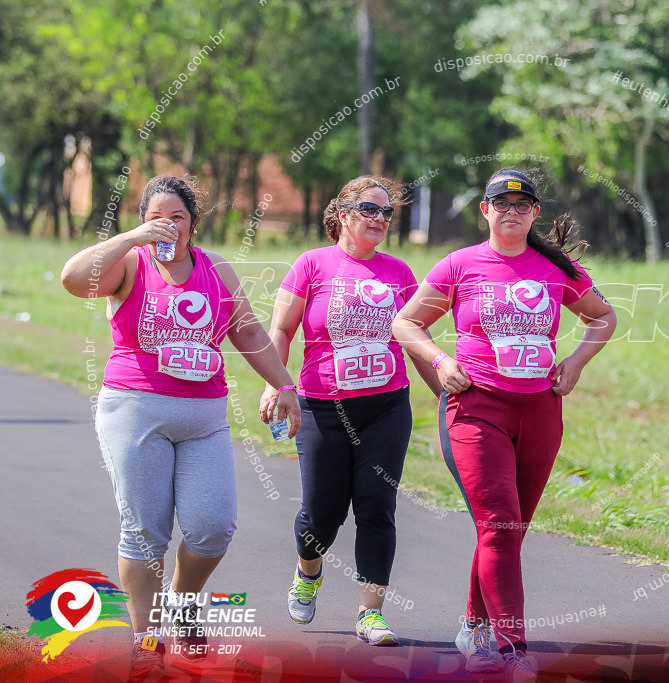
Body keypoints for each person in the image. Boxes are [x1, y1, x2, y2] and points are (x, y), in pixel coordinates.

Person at [60, 175, 301, 678]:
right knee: (145, 531)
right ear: (143, 219)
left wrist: (284, 386)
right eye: (156, 216)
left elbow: (248, 329)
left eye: (177, 217)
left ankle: (183, 602)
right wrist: (131, 237)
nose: (167, 225)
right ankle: (146, 639)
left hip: (205, 416)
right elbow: (73, 279)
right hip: (134, 408)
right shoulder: (129, 263)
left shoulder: (215, 269)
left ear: (192, 224)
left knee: (213, 526)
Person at [392, 168, 616, 679]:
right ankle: (511, 645)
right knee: (498, 524)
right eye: (501, 202)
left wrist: (576, 362)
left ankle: (473, 624)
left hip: (539, 408)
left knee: (510, 530)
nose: (511, 210)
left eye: (523, 204)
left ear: (535, 212)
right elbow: (406, 321)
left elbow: (603, 317)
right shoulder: (460, 264)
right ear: (485, 210)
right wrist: (439, 361)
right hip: (477, 408)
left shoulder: (555, 267)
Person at [259, 176, 441, 647]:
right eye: (369, 209)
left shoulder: (400, 273)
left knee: (377, 508)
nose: (380, 219)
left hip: (386, 408)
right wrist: (277, 385)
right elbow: (280, 331)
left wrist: (448, 396)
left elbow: (416, 343)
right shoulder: (311, 265)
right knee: (321, 514)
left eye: (386, 213)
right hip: (322, 408)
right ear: (342, 214)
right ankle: (308, 571)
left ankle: (370, 613)